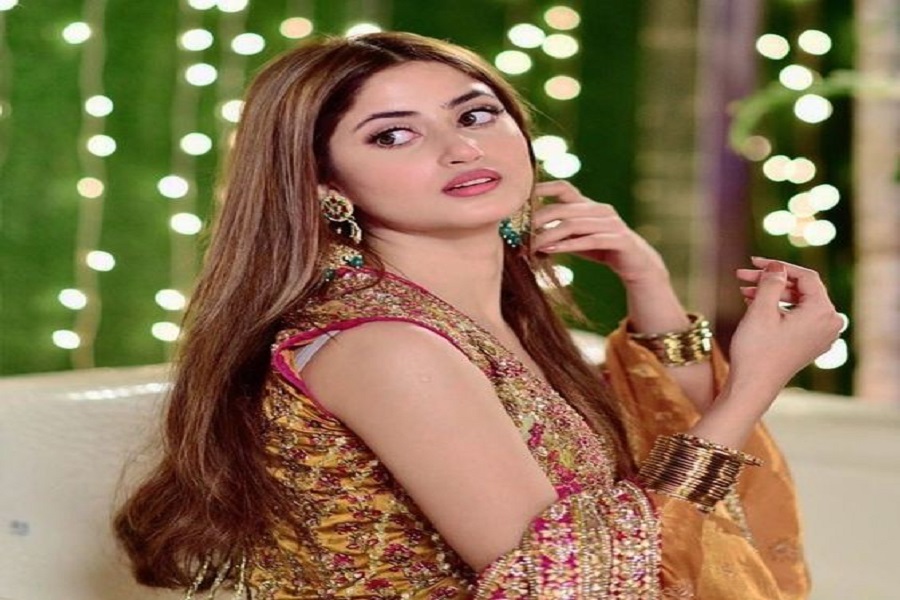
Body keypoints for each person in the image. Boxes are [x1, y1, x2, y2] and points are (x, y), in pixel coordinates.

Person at [114, 31, 842, 599]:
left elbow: (673, 482)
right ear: (325, 185)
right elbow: (566, 585)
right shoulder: (384, 346)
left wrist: (647, 284)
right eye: (393, 134)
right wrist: (756, 381)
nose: (462, 147)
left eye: (476, 114)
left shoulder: (496, 323)